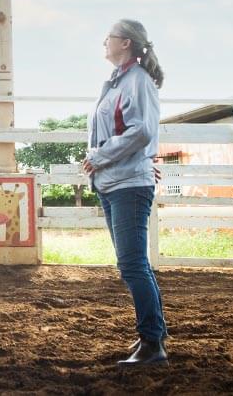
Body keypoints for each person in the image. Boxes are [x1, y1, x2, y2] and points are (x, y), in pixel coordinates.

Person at [82, 19, 168, 366]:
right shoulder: (120, 82)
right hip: (115, 181)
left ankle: (153, 343)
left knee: (132, 265)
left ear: (126, 43)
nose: (105, 42)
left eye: (110, 38)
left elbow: (142, 131)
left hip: (126, 184)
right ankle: (152, 337)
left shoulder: (138, 82)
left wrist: (99, 157)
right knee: (133, 265)